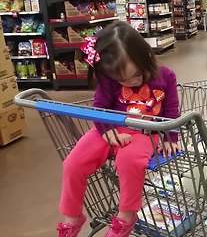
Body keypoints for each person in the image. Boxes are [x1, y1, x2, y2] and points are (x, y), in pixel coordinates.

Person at [56, 21, 181, 237]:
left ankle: (127, 215)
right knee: (72, 163)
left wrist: (170, 136)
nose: (129, 82)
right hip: (110, 128)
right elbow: (100, 106)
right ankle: (72, 216)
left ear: (146, 57)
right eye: (121, 79)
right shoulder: (109, 76)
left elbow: (171, 109)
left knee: (129, 161)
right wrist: (106, 129)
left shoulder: (166, 76)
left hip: (144, 131)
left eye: (134, 75)